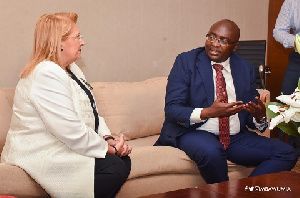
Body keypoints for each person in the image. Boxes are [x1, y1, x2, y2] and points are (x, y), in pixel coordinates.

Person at [0, 12, 131, 198]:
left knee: (121, 161)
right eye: (77, 37)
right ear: (58, 42)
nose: (83, 42)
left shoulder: (71, 69)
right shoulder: (45, 73)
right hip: (41, 151)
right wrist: (110, 149)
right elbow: (69, 130)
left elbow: (90, 112)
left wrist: (108, 138)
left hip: (63, 144)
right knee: (114, 167)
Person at [154, 19, 298, 184]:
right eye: (211, 37)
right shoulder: (186, 62)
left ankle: (242, 193)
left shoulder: (245, 68)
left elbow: (250, 111)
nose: (214, 44)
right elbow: (172, 109)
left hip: (234, 136)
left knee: (287, 153)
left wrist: (259, 117)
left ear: (235, 46)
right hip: (194, 132)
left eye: (223, 41)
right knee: (212, 152)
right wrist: (209, 112)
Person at [273, 0, 300, 155]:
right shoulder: (292, 2)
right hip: (298, 58)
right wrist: (296, 42)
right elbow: (278, 31)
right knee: (287, 107)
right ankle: (287, 154)